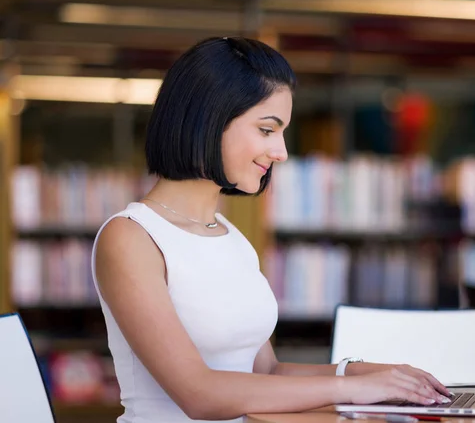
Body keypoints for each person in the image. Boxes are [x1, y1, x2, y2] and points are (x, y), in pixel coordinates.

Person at [92, 36, 452, 423]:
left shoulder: (229, 236)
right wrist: (352, 390)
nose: (281, 151)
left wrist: (375, 376)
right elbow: (199, 394)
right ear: (209, 120)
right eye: (267, 130)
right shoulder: (130, 238)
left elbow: (265, 373)